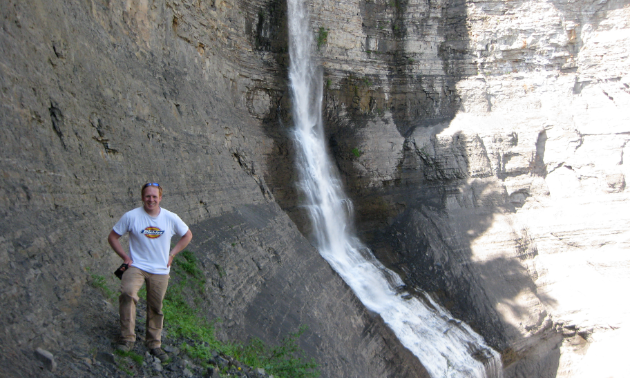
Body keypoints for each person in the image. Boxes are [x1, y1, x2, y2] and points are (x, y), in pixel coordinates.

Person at [108, 182, 193, 361]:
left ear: (160, 198)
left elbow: (187, 235)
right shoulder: (131, 216)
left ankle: (154, 343)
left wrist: (173, 253)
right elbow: (113, 237)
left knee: (156, 307)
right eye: (148, 196)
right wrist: (125, 257)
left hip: (161, 269)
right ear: (142, 197)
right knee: (128, 294)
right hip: (136, 266)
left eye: (155, 196)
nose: (151, 200)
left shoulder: (170, 218)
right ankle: (127, 339)